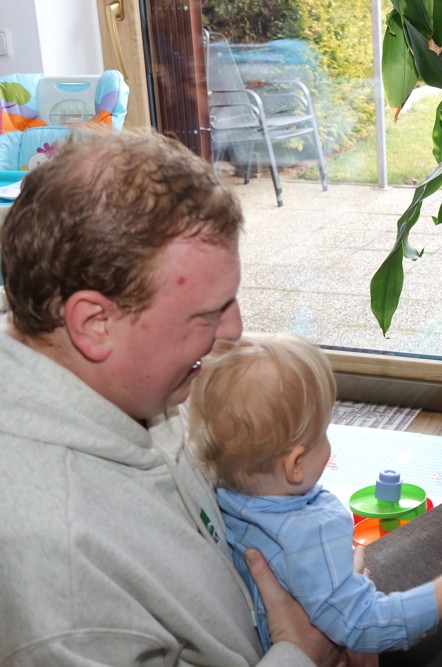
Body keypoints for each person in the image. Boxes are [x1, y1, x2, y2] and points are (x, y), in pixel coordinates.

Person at [0, 128, 341, 666]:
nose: (234, 329)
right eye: (207, 313)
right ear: (95, 323)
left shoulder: (129, 382)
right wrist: (302, 653)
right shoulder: (60, 572)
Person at [187, 332, 442, 654]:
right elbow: (364, 625)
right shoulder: (310, 531)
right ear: (295, 465)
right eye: (323, 434)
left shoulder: (227, 492)